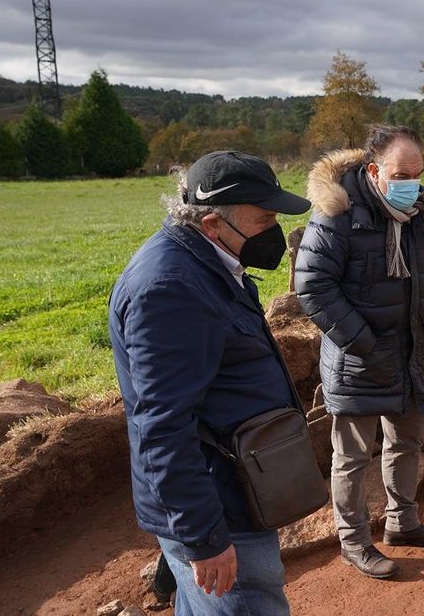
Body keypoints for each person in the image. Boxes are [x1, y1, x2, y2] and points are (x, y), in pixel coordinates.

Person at [109, 151, 312, 614]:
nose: (274, 230)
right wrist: (204, 537)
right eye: (263, 220)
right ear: (211, 223)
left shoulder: (207, 264)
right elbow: (161, 427)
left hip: (235, 488)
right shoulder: (171, 288)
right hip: (221, 508)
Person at [294, 125, 424, 580]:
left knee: (407, 440)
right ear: (373, 170)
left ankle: (403, 524)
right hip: (359, 357)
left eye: (418, 173)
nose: (412, 184)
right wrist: (362, 341)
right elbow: (312, 285)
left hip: (410, 351)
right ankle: (354, 541)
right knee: (352, 457)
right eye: (402, 174)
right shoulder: (338, 212)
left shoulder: (423, 206)